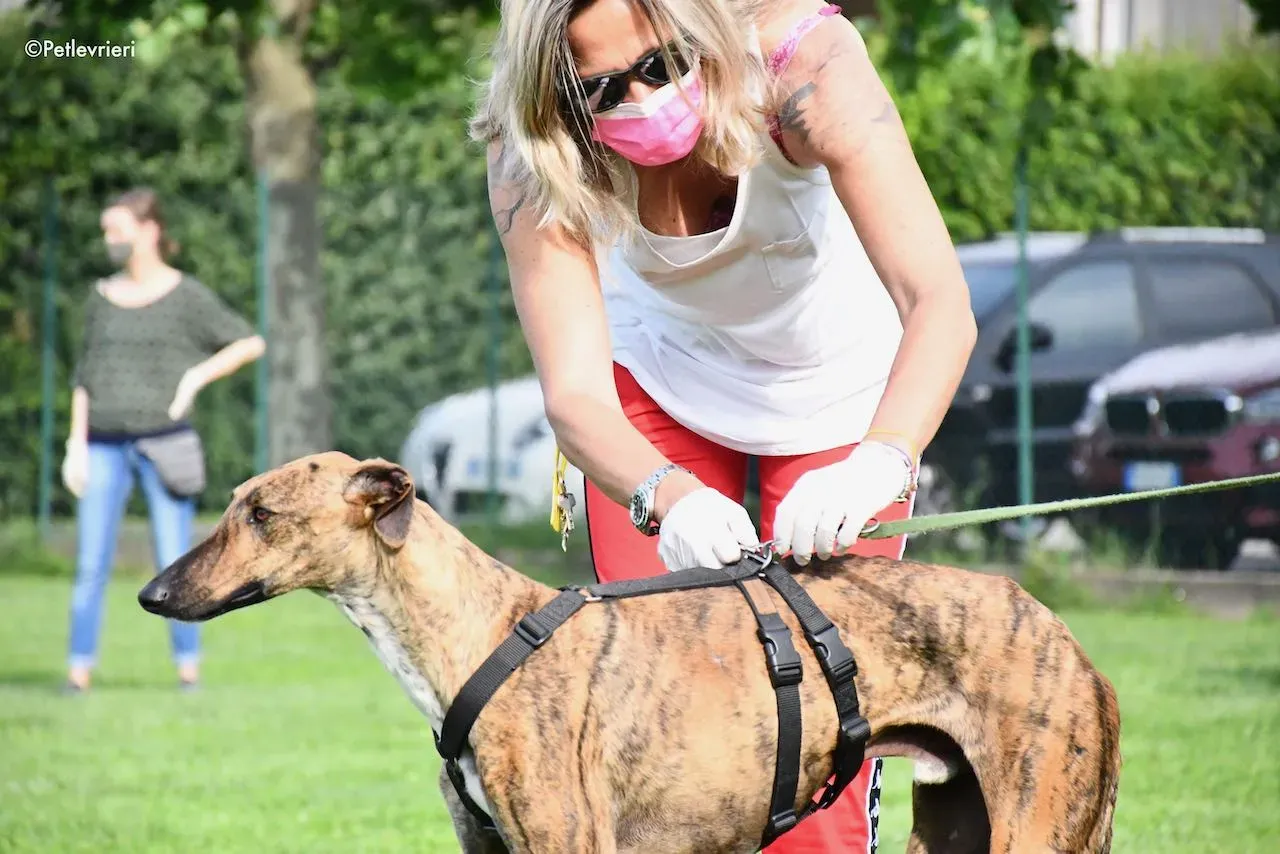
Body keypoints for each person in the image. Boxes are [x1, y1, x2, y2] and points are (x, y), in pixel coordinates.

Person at [472, 1, 977, 850]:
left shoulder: (803, 65)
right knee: (656, 711)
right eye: (601, 90)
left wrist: (881, 463)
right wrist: (669, 498)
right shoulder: (530, 139)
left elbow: (940, 304)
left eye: (661, 66)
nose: (638, 100)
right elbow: (575, 396)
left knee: (822, 715)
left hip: (836, 388)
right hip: (657, 383)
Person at [61, 187, 265, 694]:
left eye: (117, 231)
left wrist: (194, 378)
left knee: (176, 557)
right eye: (105, 232)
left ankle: (187, 668)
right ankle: (78, 670)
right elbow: (84, 375)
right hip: (103, 444)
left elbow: (249, 340)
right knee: (90, 564)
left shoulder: (186, 295)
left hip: (165, 445)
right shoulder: (100, 297)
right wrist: (75, 445)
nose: (109, 241)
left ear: (149, 231)